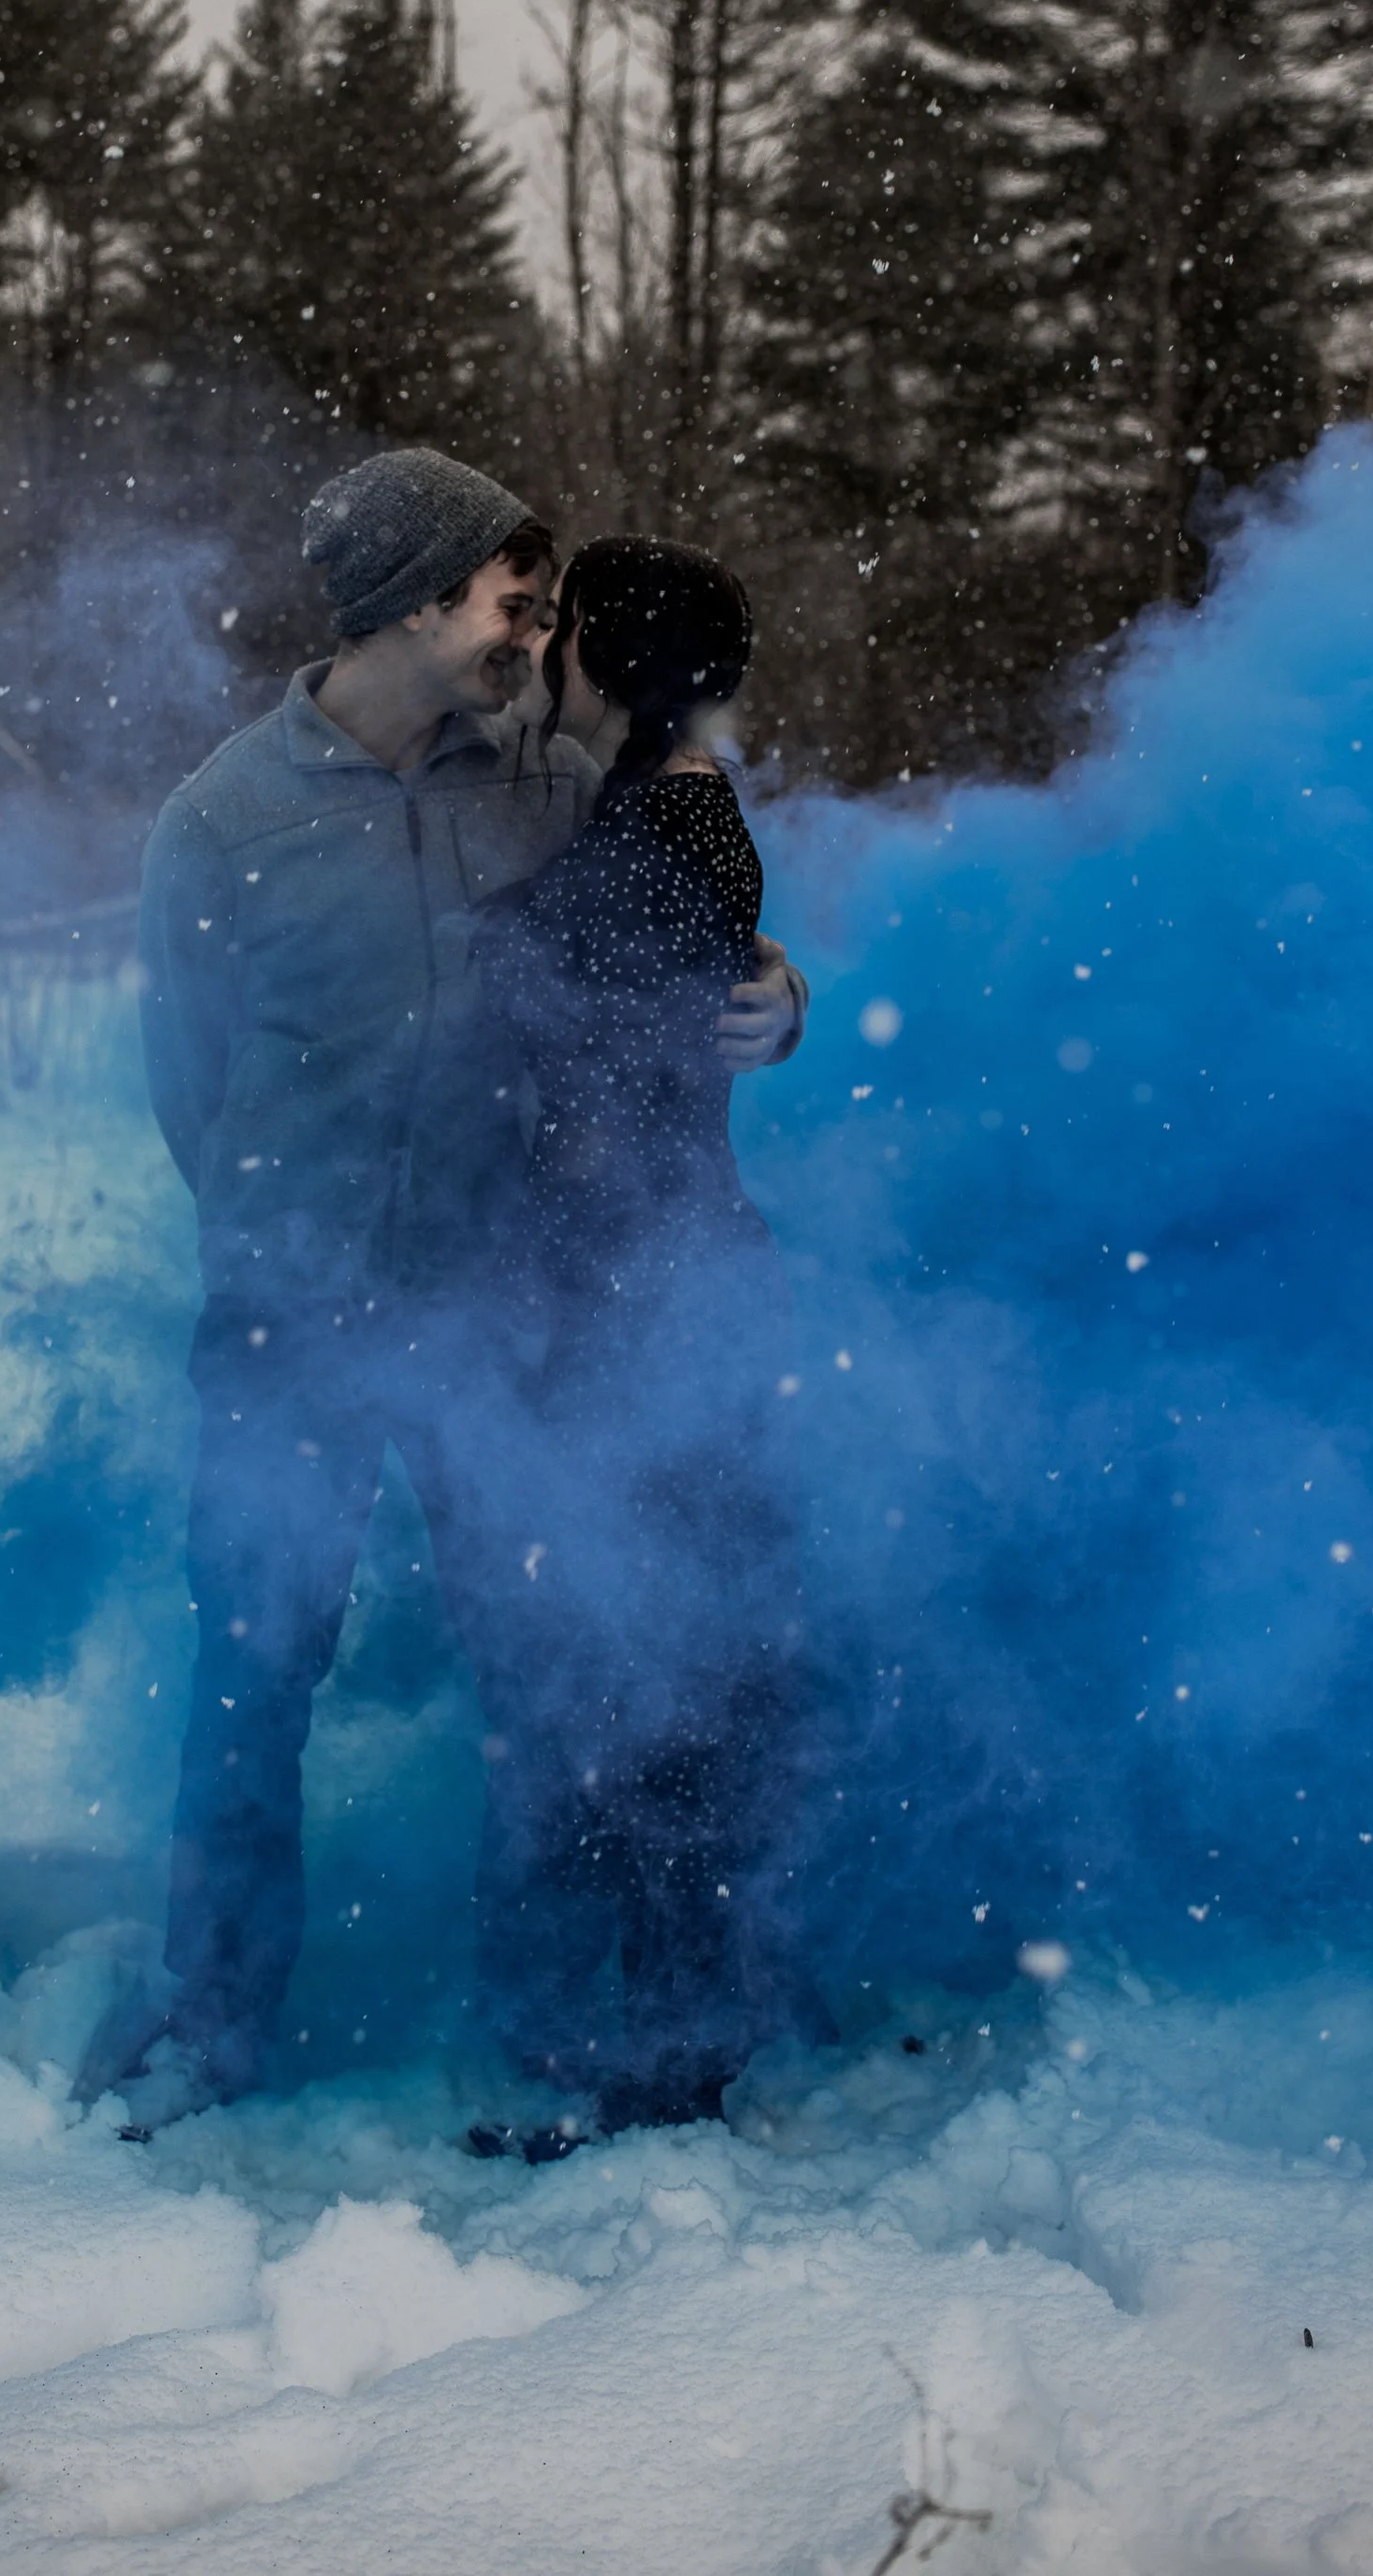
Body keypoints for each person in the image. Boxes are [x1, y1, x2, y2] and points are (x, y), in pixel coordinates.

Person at [122, 450, 806, 2129]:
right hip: (293, 1327)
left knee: (549, 1669)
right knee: (254, 1676)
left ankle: (562, 2025)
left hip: (508, 1327)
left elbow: (680, 898)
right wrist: (297, 1239)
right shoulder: (224, 821)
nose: (537, 632)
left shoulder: (539, 780)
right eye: (513, 600)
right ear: (412, 601)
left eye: (549, 610)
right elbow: (187, 1085)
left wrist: (782, 993)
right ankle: (207, 2034)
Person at [468, 535, 817, 2152]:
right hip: (656, 1303)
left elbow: (583, 1077)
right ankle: (667, 2034)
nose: (539, 657)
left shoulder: (657, 838)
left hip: (640, 1315)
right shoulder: (658, 819)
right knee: (655, 1669)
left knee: (663, 1680)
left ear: (604, 655)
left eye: (561, 633)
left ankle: (677, 2068)